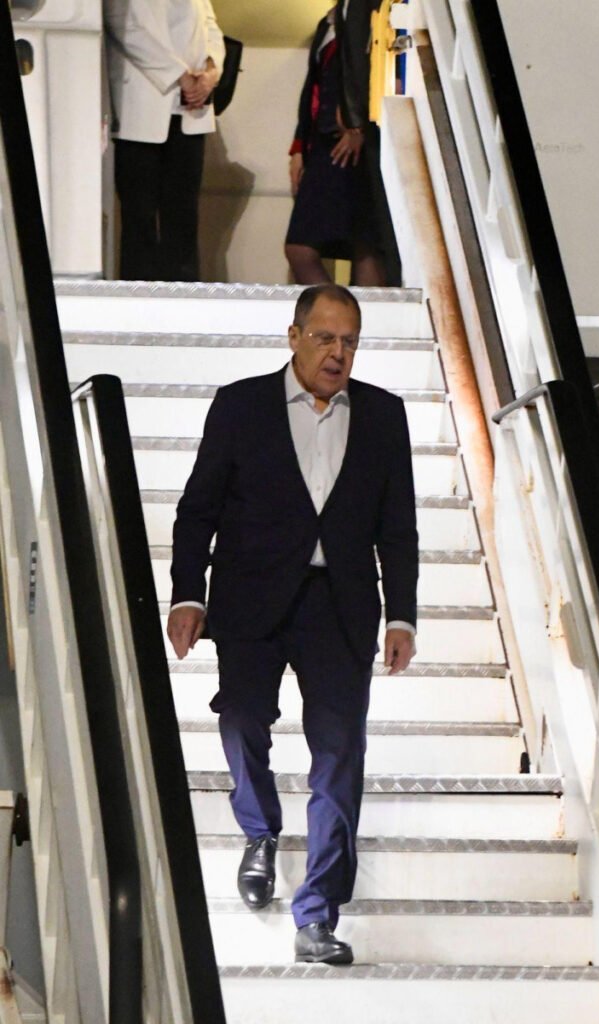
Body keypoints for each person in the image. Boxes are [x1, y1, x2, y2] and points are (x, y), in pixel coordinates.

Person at [167, 283, 418, 964]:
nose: (338, 353)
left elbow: (397, 527)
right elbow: (198, 510)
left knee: (340, 755)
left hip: (340, 606)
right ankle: (259, 829)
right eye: (325, 338)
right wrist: (188, 596)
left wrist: (402, 614)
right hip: (251, 596)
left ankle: (317, 915)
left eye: (350, 342)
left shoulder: (383, 415)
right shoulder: (240, 405)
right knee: (242, 718)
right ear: (294, 336)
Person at [103, 0, 224, 281]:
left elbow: (210, 26)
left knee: (184, 217)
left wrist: (211, 73)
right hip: (141, 108)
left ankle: (183, 296)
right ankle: (138, 296)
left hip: (191, 111)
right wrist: (179, 75)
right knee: (139, 218)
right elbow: (121, 22)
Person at [285, 2, 400, 286]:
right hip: (324, 143)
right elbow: (311, 88)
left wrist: (359, 124)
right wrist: (299, 149)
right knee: (304, 247)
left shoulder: (372, 7)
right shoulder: (328, 21)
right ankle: (338, 308)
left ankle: (358, 312)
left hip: (356, 140)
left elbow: (374, 68)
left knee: (364, 244)